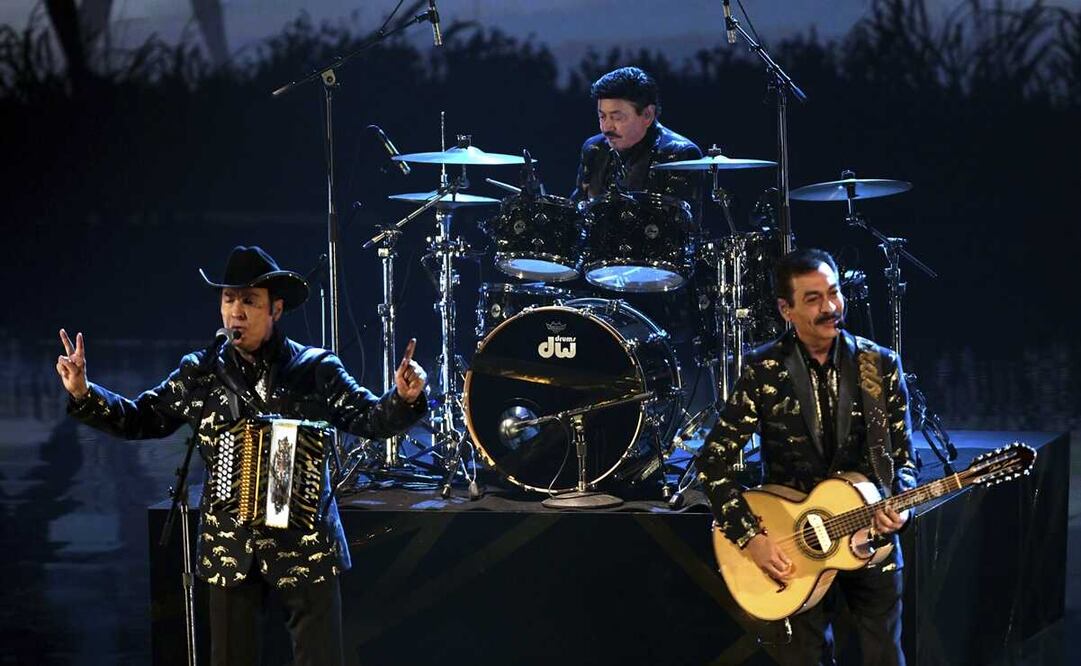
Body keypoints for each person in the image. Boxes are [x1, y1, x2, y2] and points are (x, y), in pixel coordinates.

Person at [56, 245, 428, 666]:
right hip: (231, 546)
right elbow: (142, 418)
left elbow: (368, 419)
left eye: (249, 301)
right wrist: (85, 392)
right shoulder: (201, 371)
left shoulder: (316, 369)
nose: (236, 311)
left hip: (305, 545)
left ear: (276, 309)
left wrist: (404, 398)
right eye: (228, 300)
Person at [696, 248, 917, 665]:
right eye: (814, 299)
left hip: (871, 538)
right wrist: (752, 538)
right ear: (787, 309)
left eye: (834, 293)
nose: (831, 307)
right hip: (794, 545)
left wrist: (899, 503)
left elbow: (903, 459)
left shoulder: (879, 365)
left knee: (885, 655)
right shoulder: (763, 370)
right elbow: (713, 462)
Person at [571, 65, 703, 218]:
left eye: (616, 117)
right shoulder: (594, 149)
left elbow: (680, 229)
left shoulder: (680, 153)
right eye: (602, 117)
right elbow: (576, 209)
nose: (606, 127)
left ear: (647, 115)